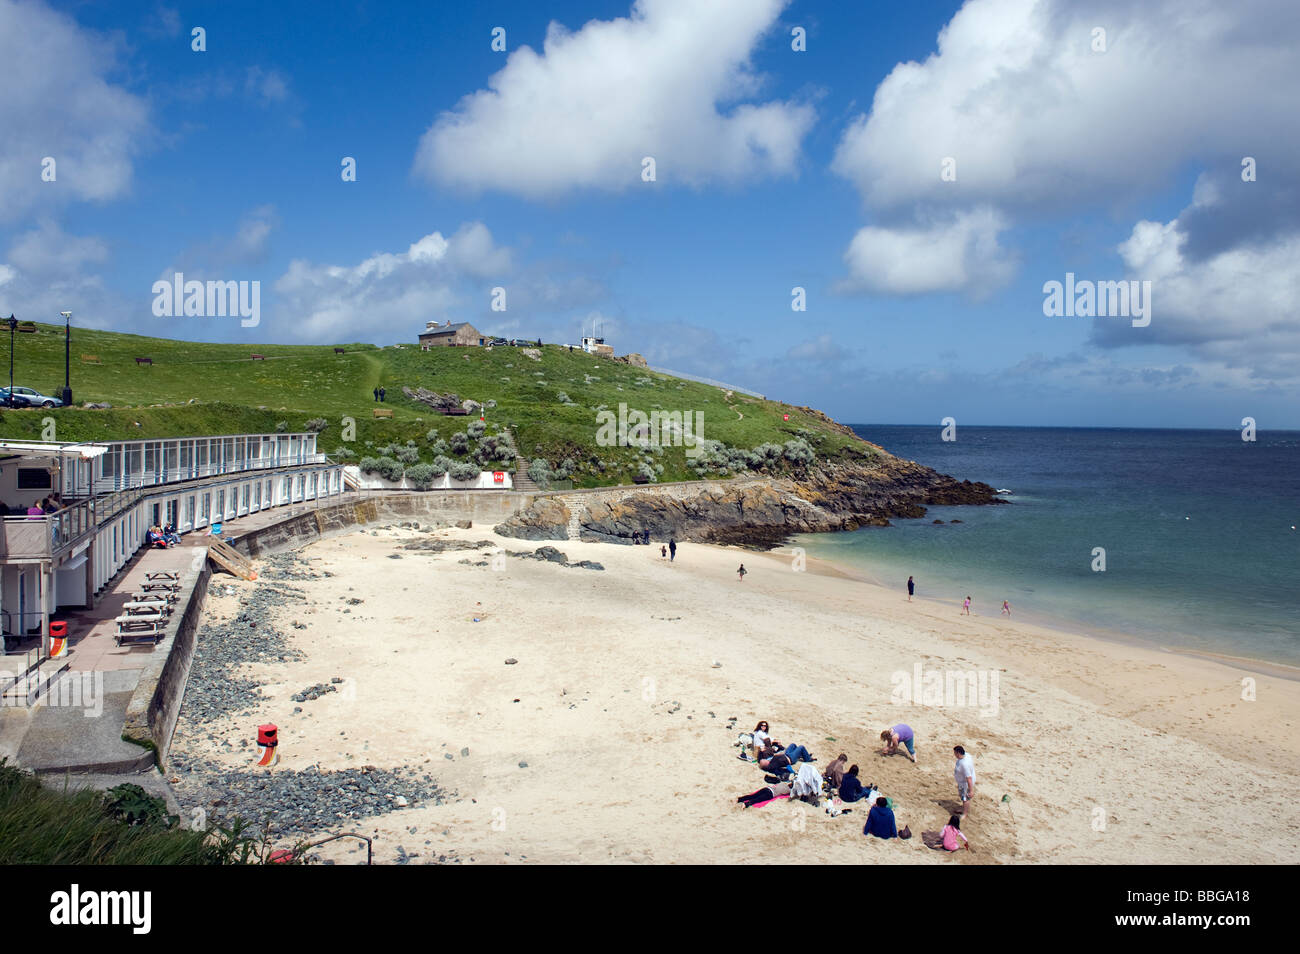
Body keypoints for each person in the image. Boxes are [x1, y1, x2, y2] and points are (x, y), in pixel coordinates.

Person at [953, 745, 976, 816]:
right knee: (963, 796)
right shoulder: (967, 755)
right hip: (962, 782)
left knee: (965, 798)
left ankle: (965, 813)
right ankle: (963, 808)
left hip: (965, 783)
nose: (954, 754)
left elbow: (969, 778)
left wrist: (971, 790)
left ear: (958, 753)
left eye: (955, 753)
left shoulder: (964, 764)